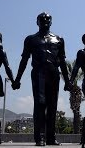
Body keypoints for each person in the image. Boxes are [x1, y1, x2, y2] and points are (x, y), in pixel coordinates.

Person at [12, 12, 71, 146]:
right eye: (42, 19)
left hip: (54, 74)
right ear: (36, 22)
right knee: (40, 103)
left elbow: (62, 62)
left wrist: (67, 81)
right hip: (38, 73)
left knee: (52, 106)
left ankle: (51, 137)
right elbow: (24, 60)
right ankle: (40, 137)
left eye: (48, 19)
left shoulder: (59, 39)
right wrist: (17, 79)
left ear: (51, 22)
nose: (45, 20)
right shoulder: (31, 39)